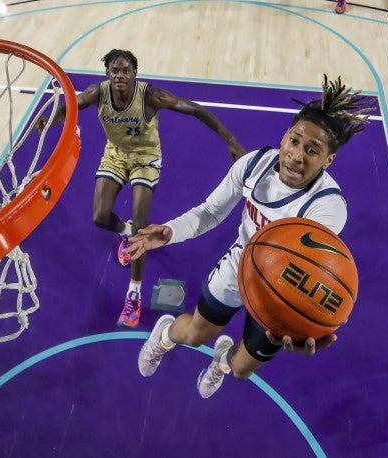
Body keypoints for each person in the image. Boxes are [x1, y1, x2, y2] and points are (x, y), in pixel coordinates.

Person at [126, 75, 372, 398]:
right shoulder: (253, 164)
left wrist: (308, 325)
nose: (297, 155)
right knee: (195, 335)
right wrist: (171, 231)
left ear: (329, 160)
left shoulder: (328, 208)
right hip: (239, 265)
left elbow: (316, 273)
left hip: (280, 289)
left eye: (312, 150)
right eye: (294, 141)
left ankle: (221, 363)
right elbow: (210, 212)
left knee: (241, 370)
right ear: (285, 136)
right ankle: (164, 336)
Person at [34, 49, 246, 328]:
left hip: (146, 159)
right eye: (114, 71)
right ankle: (124, 230)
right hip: (116, 155)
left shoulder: (150, 96)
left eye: (125, 70)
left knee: (141, 227)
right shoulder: (98, 93)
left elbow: (194, 109)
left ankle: (133, 292)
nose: (120, 75)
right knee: (99, 216)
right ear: (107, 74)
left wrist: (229, 139)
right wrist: (53, 118)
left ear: (135, 73)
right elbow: (70, 105)